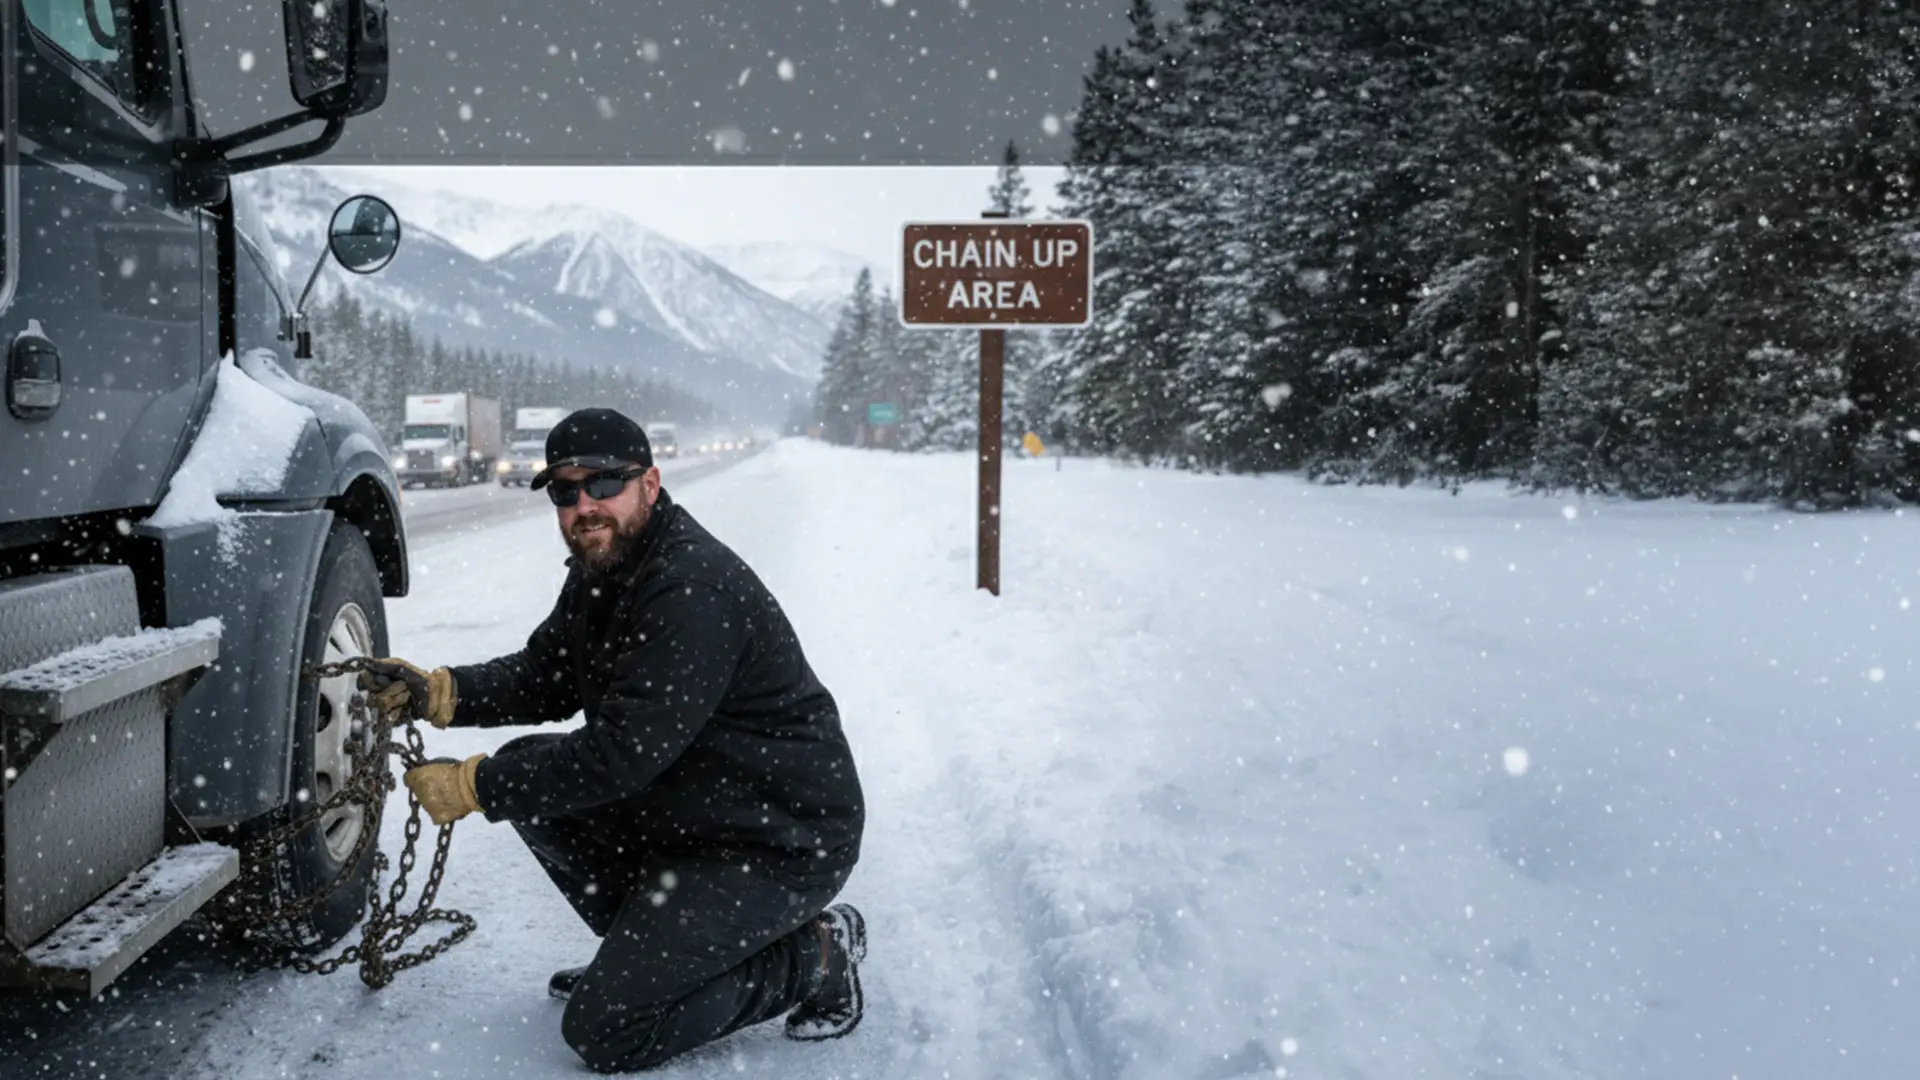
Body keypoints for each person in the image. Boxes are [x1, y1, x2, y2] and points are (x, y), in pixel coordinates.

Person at [357, 408, 867, 1072]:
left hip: (779, 836)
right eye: (565, 491)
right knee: (529, 775)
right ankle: (651, 958)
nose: (583, 506)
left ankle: (817, 954)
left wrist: (472, 786)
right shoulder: (609, 565)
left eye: (603, 483)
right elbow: (548, 674)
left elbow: (620, 754)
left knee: (608, 1029)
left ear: (650, 484)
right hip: (698, 808)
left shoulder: (691, 588)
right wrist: (443, 693)